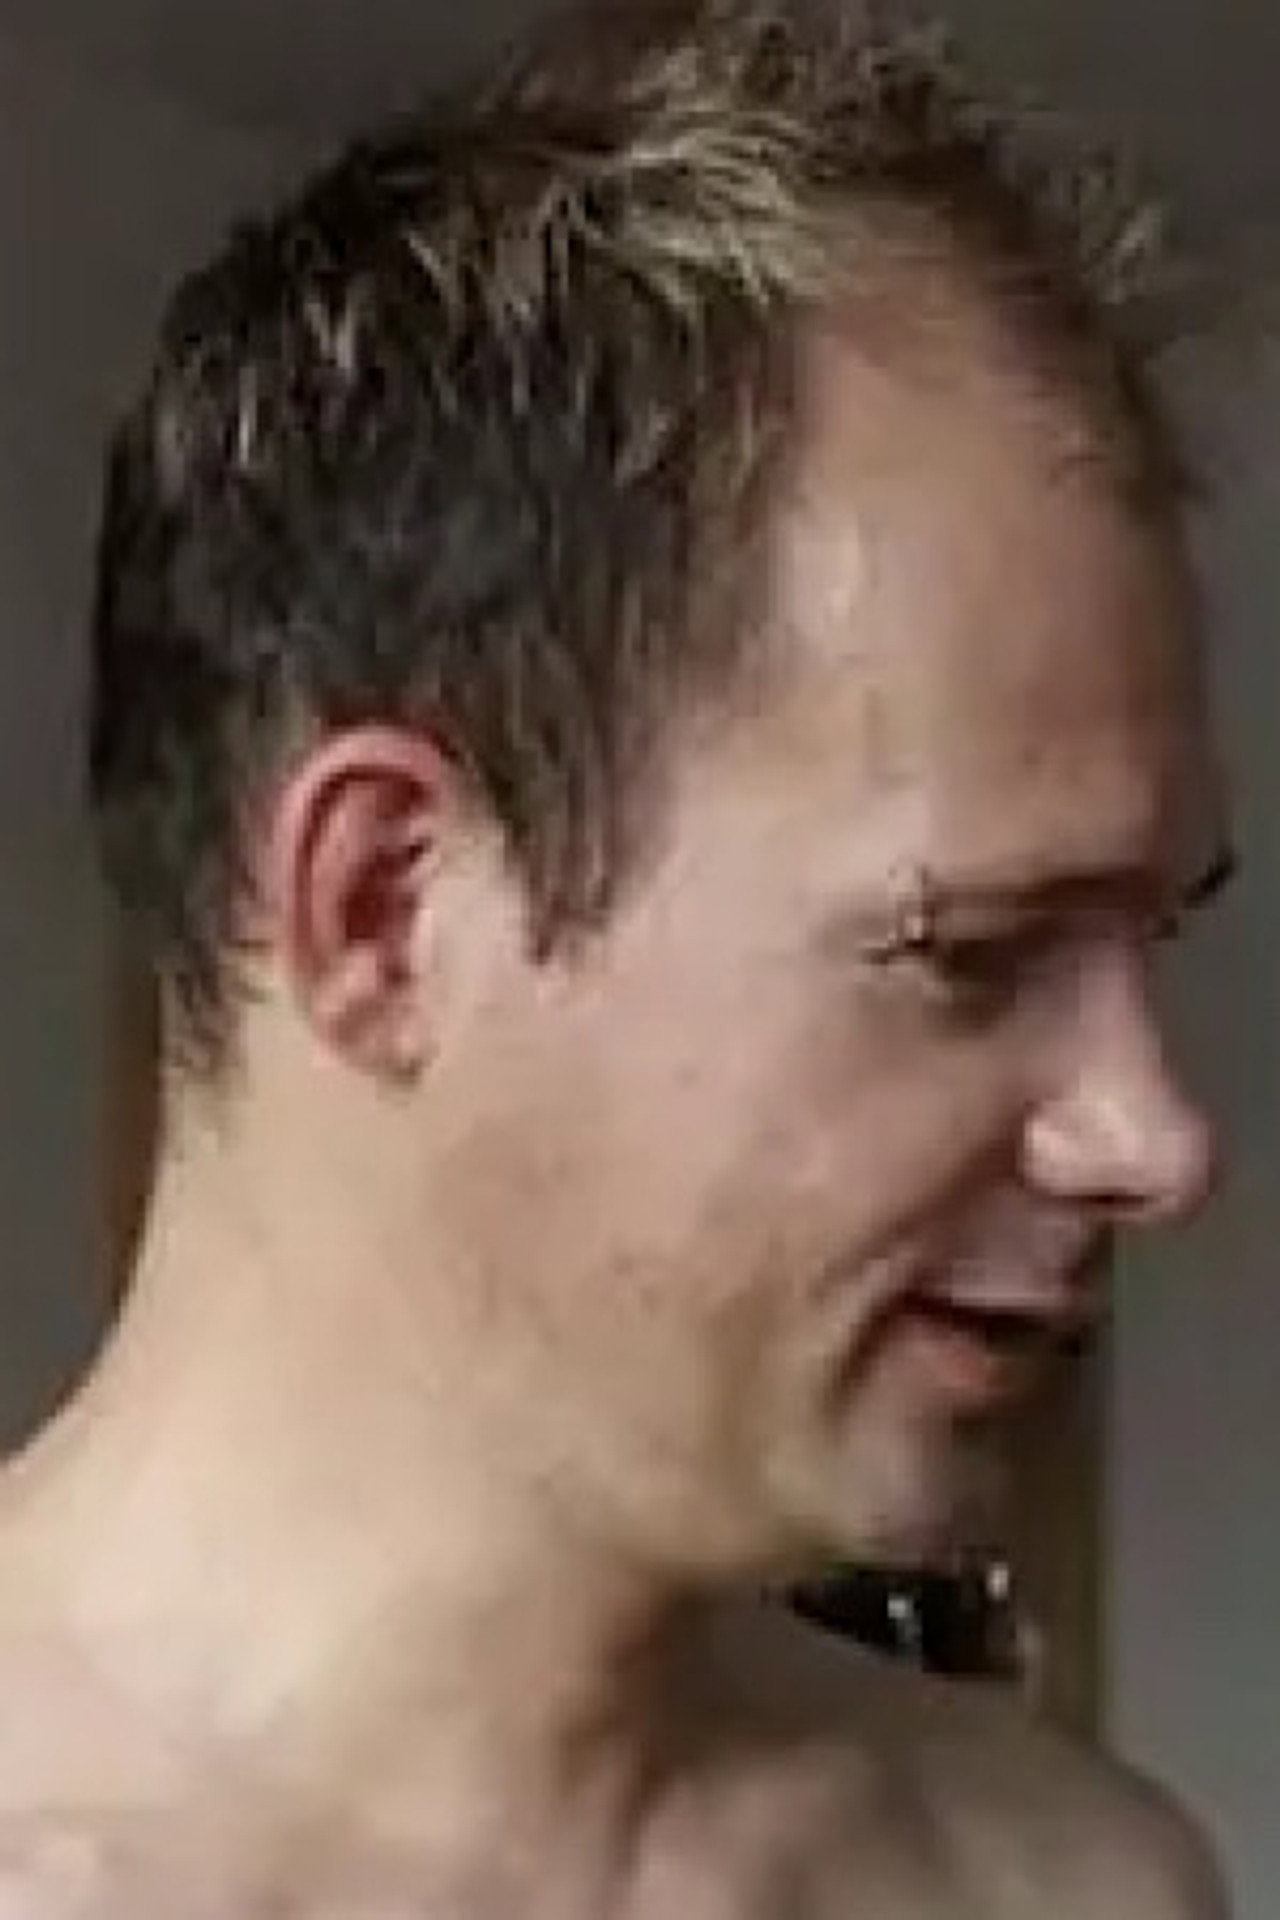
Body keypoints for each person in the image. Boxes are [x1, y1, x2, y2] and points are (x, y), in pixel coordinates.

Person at [0, 0, 1235, 1911]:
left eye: (1146, 939)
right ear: (386, 911)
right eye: (975, 954)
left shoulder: (1077, 1887)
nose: (1158, 1138)